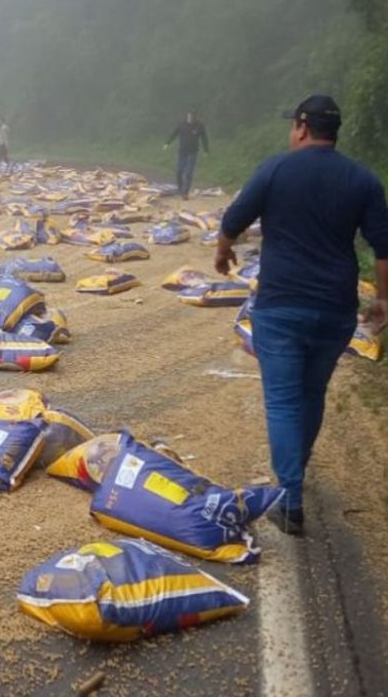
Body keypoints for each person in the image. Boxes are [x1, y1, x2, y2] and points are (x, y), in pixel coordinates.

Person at [216, 95, 388, 536]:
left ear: (302, 126)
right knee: (311, 393)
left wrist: (223, 252)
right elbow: (384, 248)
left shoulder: (276, 169)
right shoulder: (362, 180)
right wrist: (383, 301)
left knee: (283, 400)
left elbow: (234, 219)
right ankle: (296, 472)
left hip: (281, 306)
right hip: (335, 310)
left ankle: (289, 499)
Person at [163, 110, 209, 198]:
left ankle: (185, 192)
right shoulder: (182, 125)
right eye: (189, 117)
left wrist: (206, 150)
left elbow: (204, 138)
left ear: (195, 118)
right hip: (182, 151)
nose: (190, 119)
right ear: (187, 117)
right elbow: (174, 134)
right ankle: (180, 189)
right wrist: (167, 143)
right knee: (179, 171)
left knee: (188, 172)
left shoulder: (199, 126)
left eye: (192, 118)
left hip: (193, 152)